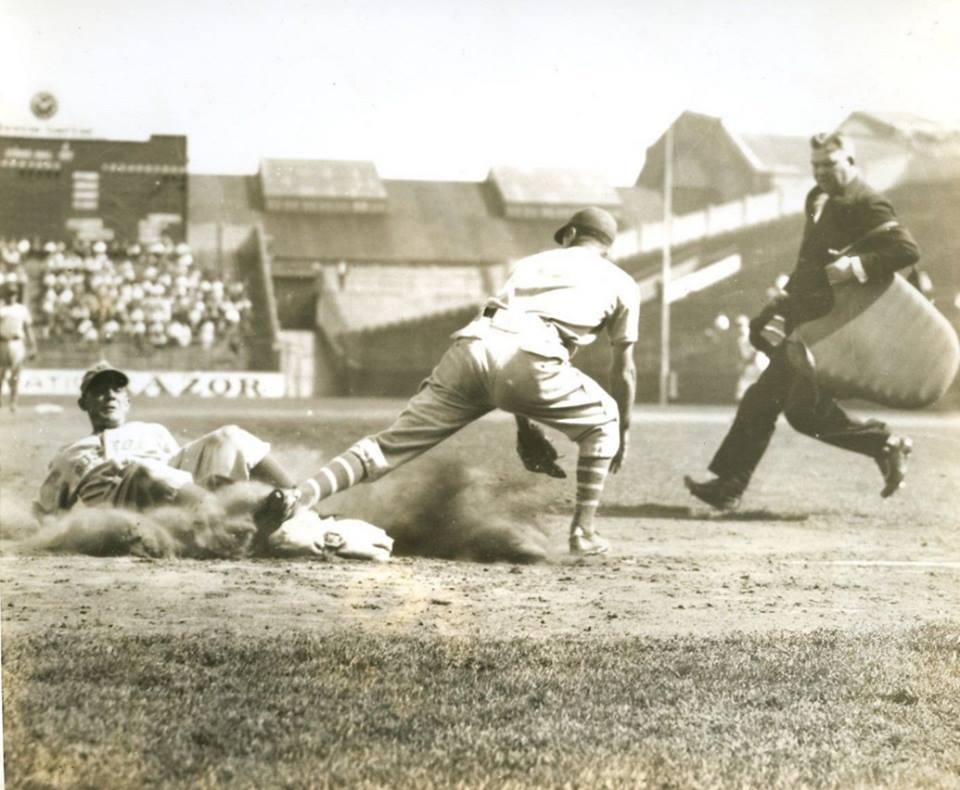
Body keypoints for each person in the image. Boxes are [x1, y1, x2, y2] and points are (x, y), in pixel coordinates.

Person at [288, 207, 639, 555]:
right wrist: (622, 429)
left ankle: (298, 496)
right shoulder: (622, 283)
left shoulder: (533, 262)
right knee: (605, 419)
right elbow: (623, 370)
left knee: (386, 446)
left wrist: (524, 424)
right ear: (608, 247)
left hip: (473, 345)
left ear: (572, 235)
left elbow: (506, 338)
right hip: (534, 354)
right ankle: (583, 531)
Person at [684, 132, 919, 510]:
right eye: (816, 166)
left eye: (830, 164)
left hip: (832, 327)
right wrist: (787, 295)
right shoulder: (817, 197)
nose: (822, 172)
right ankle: (883, 444)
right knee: (785, 406)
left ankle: (731, 484)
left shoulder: (868, 202)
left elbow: (906, 249)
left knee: (780, 404)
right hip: (804, 316)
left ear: (851, 163)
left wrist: (856, 267)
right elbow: (811, 259)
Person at [34, 362, 302, 540]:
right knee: (142, 468)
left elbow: (183, 474)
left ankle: (298, 500)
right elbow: (46, 513)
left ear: (128, 400)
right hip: (128, 507)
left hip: (178, 498)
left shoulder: (152, 431)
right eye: (100, 391)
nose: (111, 396)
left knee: (228, 435)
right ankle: (229, 528)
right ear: (84, 403)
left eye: (117, 390)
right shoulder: (69, 454)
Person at [0, 285, 37, 412]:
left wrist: (33, 346)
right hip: (2, 341)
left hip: (17, 342)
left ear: (16, 295)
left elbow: (28, 329)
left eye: (14, 294)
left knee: (15, 374)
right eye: (9, 294)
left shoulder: (22, 310)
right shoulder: (2, 308)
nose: (11, 296)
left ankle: (13, 402)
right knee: (1, 373)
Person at [733, 314, 768, 402]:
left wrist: (743, 364)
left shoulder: (750, 335)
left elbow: (755, 352)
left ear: (746, 325)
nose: (739, 327)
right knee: (743, 392)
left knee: (743, 392)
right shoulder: (741, 338)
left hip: (758, 366)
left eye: (741, 325)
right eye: (737, 325)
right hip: (752, 366)